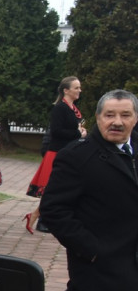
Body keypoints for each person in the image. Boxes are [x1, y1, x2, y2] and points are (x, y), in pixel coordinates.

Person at [22, 89, 138, 291]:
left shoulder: (133, 149)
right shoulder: (77, 155)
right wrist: (92, 249)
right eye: (109, 115)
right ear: (97, 117)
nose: (117, 121)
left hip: (127, 256)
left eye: (125, 115)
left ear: (135, 118)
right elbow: (56, 211)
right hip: (98, 260)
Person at [25, 76, 87, 233]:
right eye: (76, 88)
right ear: (66, 90)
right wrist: (77, 133)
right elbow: (57, 131)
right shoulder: (60, 108)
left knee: (58, 188)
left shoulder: (72, 108)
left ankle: (36, 216)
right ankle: (41, 220)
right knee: (51, 188)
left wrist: (80, 133)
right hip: (57, 153)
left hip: (68, 152)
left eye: (79, 87)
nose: (79, 90)